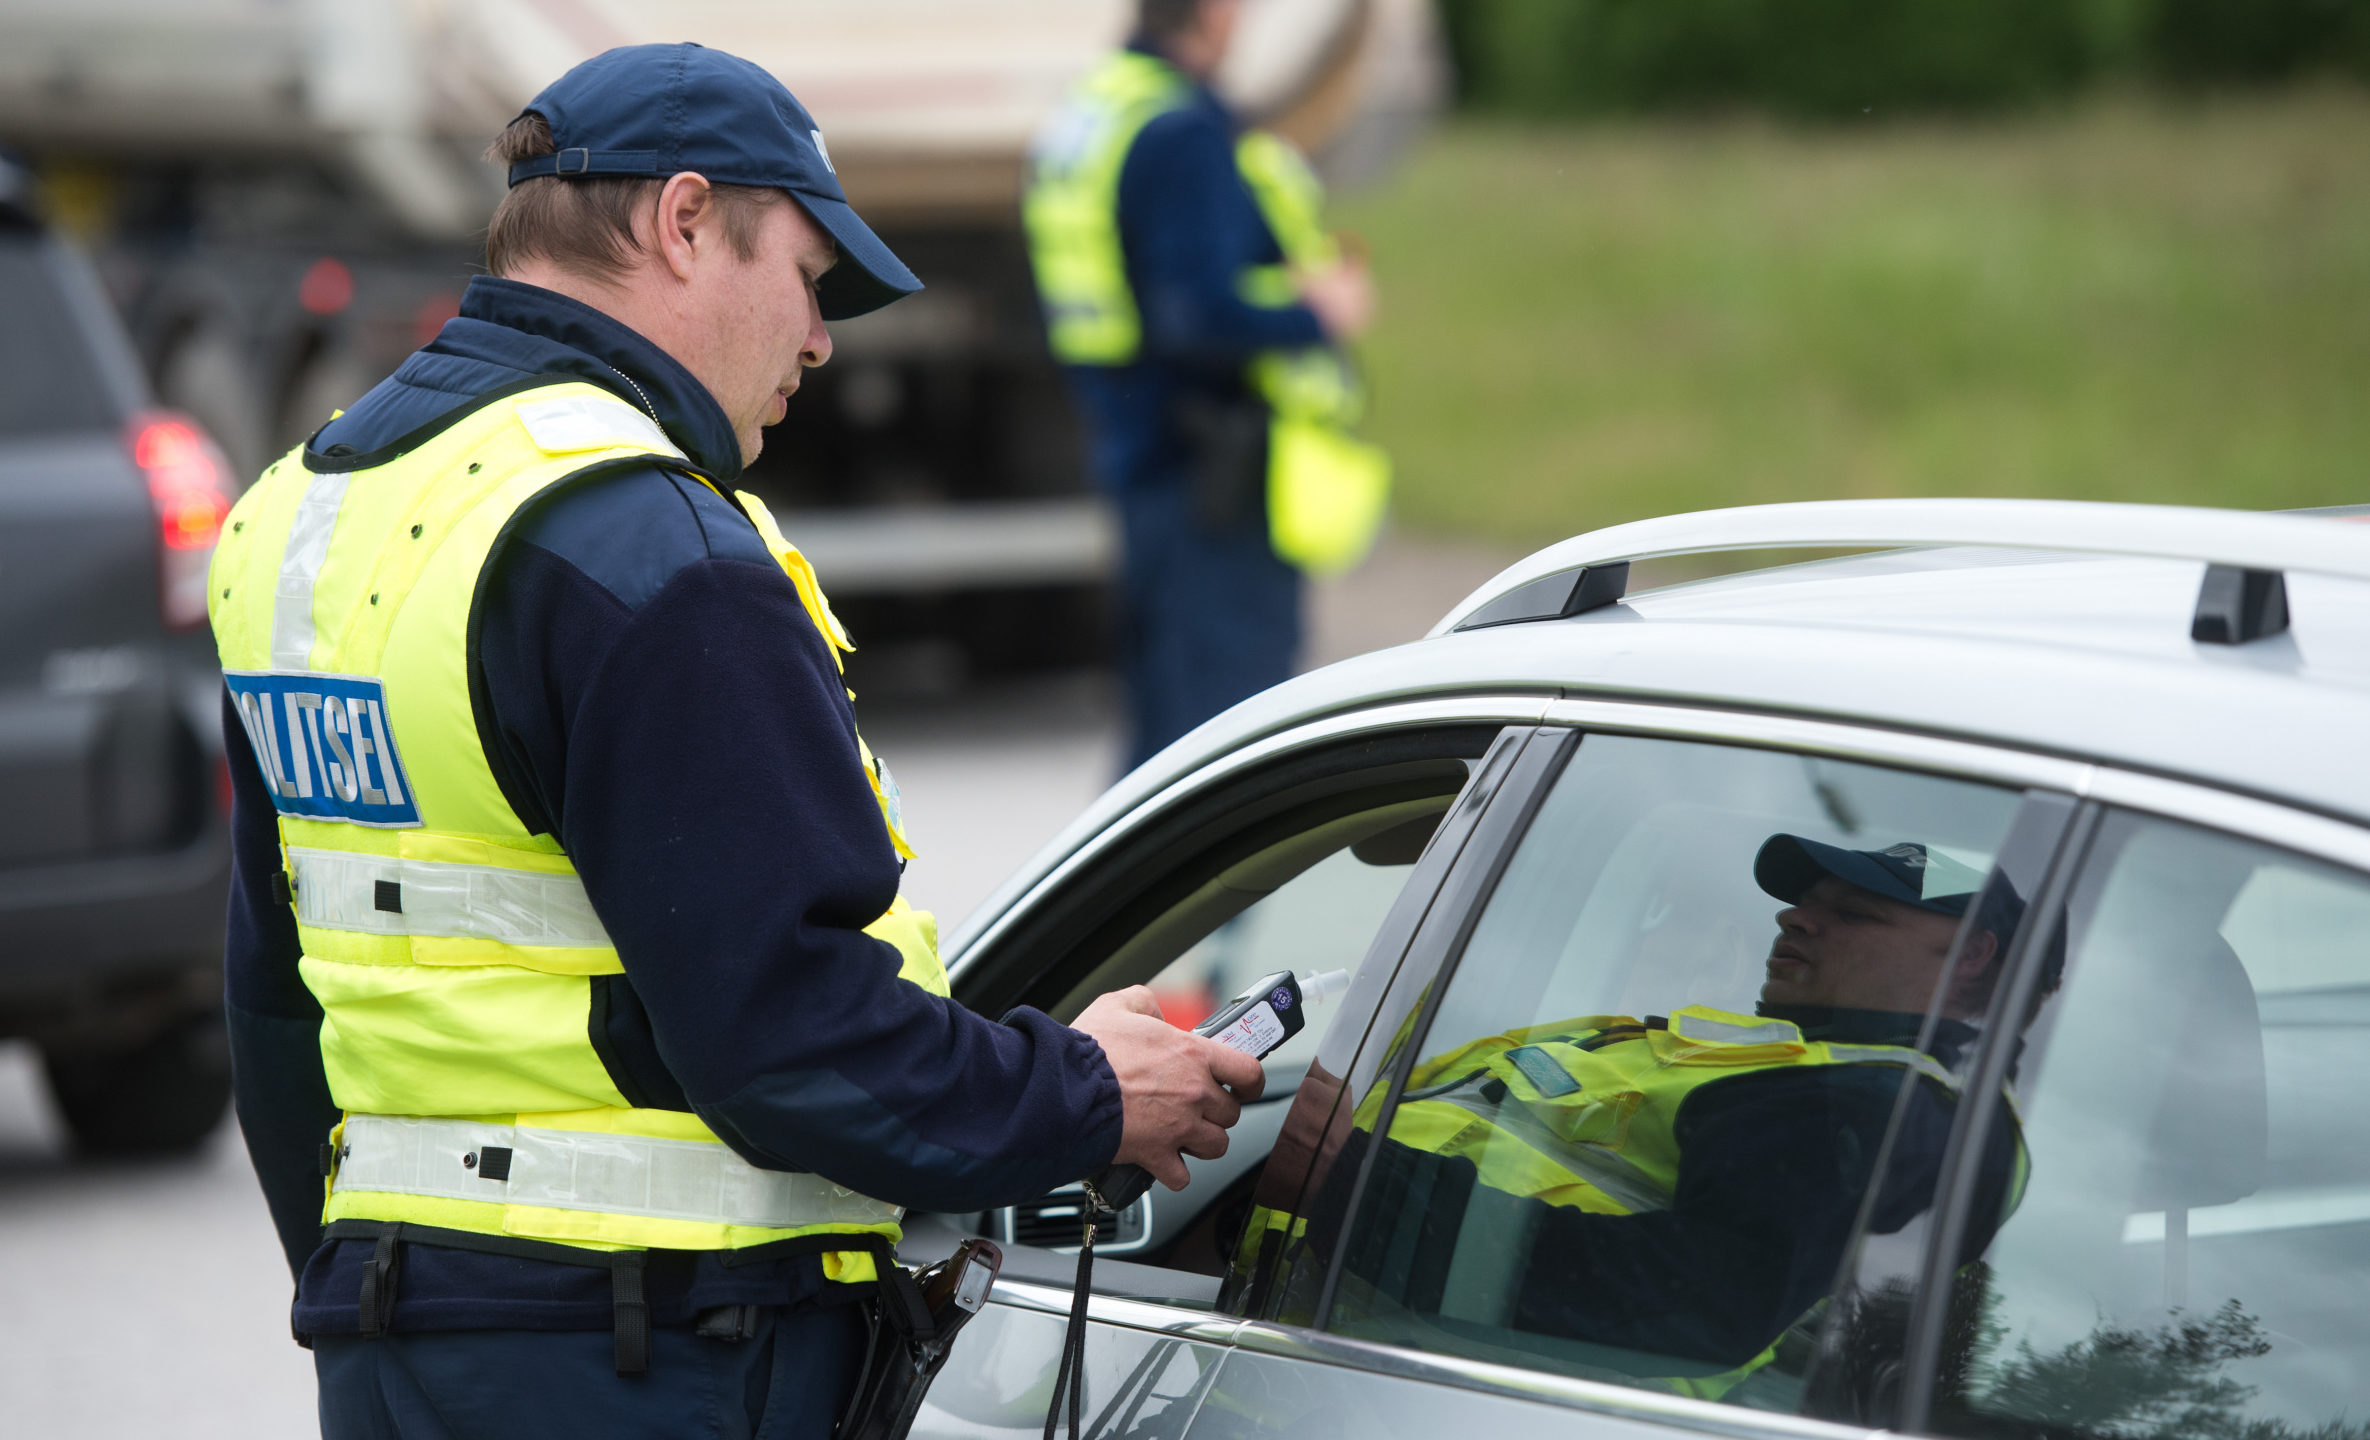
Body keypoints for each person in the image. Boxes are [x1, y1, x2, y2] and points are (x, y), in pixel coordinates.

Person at [208, 44, 1261, 1439]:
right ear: (686, 221)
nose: (821, 341)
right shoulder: (649, 544)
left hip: (400, 1352)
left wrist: (369, 1312)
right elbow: (789, 1040)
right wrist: (1083, 1092)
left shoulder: (300, 514)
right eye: (812, 280)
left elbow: (277, 1002)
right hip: (656, 1359)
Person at [1303, 834, 2033, 1394]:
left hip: (1433, 1397)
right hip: (1325, 1356)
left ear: (1970, 955)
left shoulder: (1896, 1115)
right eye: (1806, 901)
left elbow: (1682, 1306)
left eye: (1851, 913)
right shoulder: (1736, 1052)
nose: (1794, 917)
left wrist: (1345, 1179)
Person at [1024, 0, 1388, 770]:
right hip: (1210, 480)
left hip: (1146, 462)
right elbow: (1195, 316)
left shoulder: (1102, 107)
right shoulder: (1181, 131)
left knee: (1164, 755)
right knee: (1231, 757)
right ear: (1214, 12)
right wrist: (1317, 312)